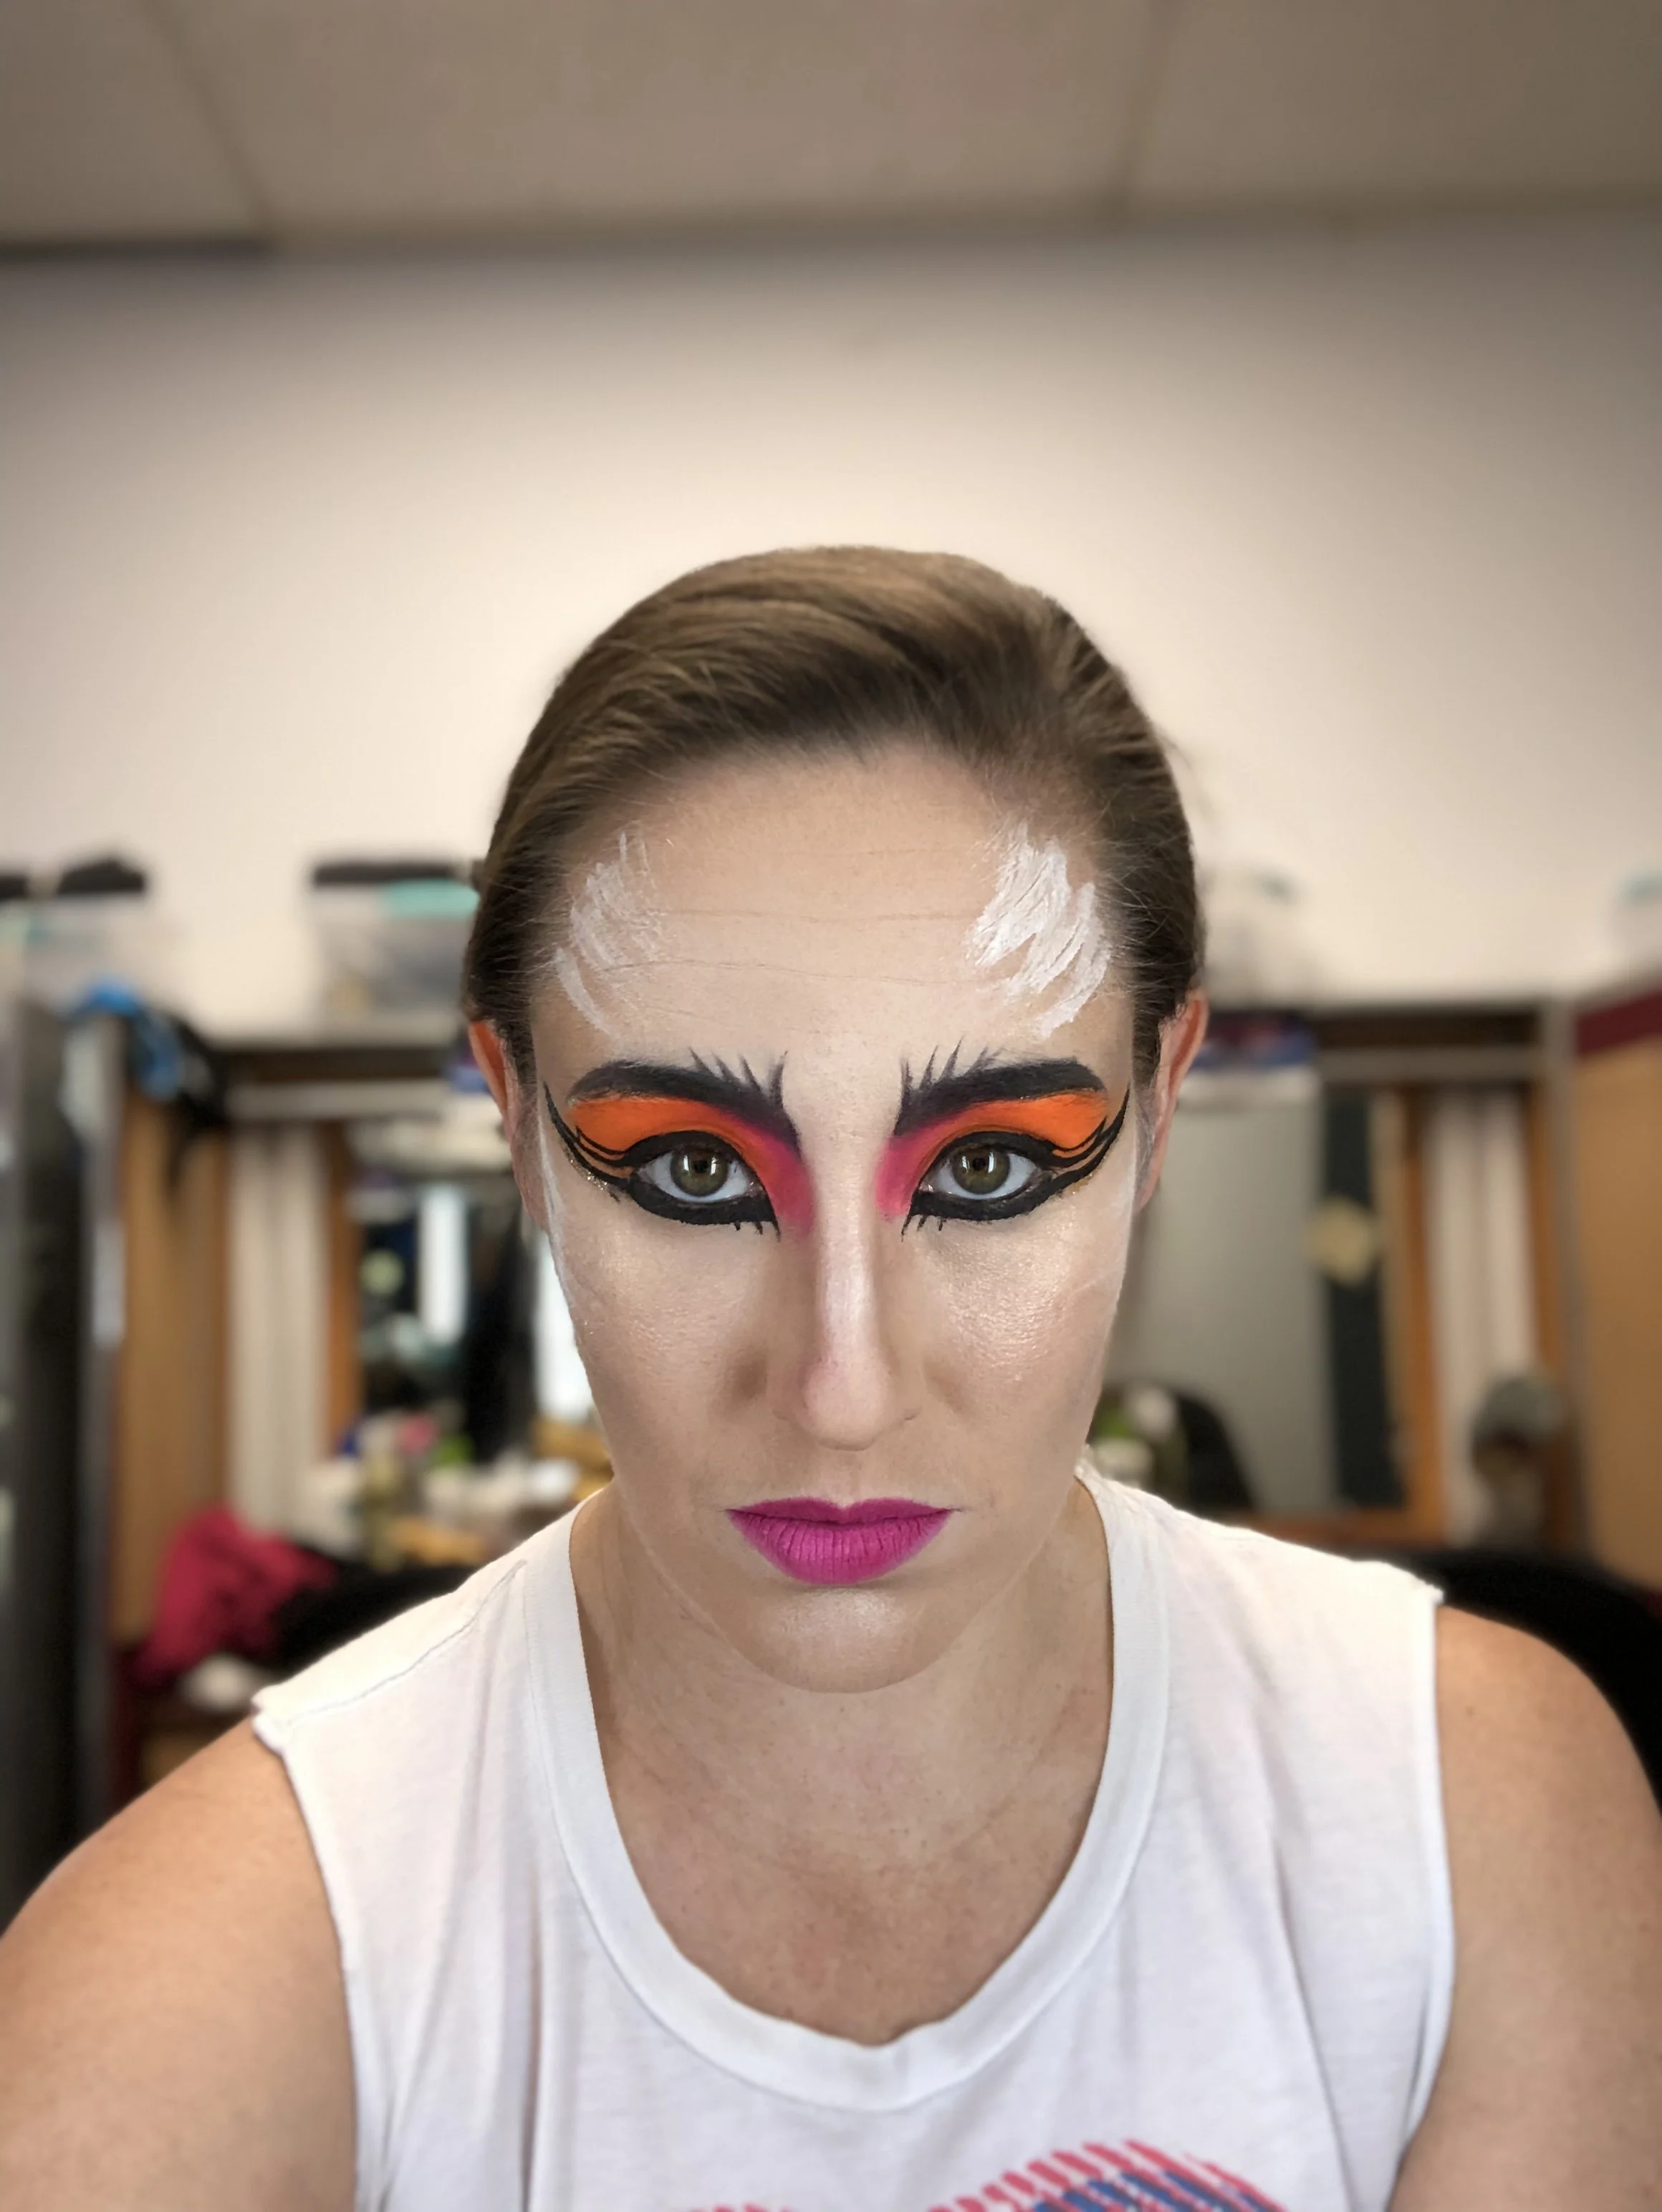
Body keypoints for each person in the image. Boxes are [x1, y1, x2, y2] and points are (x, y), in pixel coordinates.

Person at [1, 549, 1658, 2211]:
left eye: (996, 1167)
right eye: (697, 1178)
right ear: (514, 1119)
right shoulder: (222, 1963)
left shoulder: (1461, 1817)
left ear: (1157, 1105)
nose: (842, 1385)